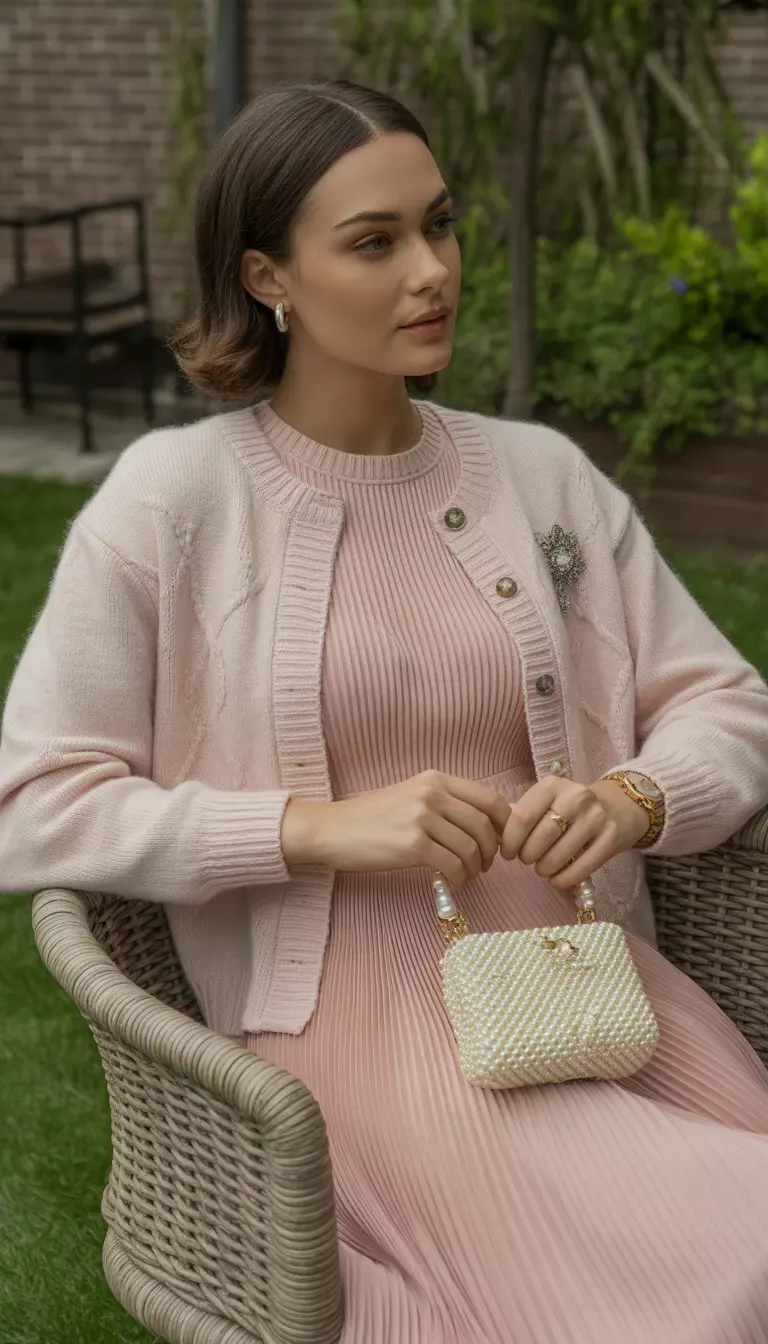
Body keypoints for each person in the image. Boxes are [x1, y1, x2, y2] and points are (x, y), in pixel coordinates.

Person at [1, 79, 768, 1343]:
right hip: (356, 1025)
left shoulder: (541, 475)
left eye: (441, 225)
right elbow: (35, 807)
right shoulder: (170, 502)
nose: (432, 271)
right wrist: (316, 827)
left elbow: (730, 704)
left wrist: (636, 798)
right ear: (268, 277)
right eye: (375, 242)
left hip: (590, 985)